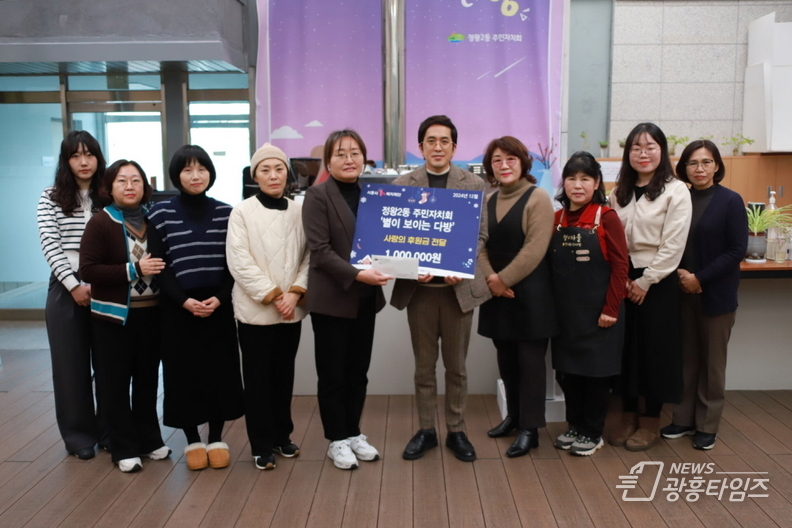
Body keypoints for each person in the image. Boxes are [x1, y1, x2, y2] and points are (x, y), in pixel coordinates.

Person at [391, 115, 491, 462]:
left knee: (457, 368)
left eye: (444, 141)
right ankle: (426, 430)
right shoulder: (403, 184)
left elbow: (480, 235)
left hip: (456, 293)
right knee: (423, 367)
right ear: (421, 147)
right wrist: (410, 267)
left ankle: (457, 430)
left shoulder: (473, 184)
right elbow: (396, 236)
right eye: (431, 141)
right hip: (420, 294)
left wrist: (459, 264)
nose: (438, 147)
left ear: (454, 147)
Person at [147, 145, 244, 471]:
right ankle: (192, 440)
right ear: (177, 176)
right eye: (187, 170)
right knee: (182, 373)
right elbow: (159, 266)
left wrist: (221, 297)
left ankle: (215, 437)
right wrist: (183, 301)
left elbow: (234, 263)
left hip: (218, 304)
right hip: (178, 306)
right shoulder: (160, 213)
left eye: (201, 169)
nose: (195, 175)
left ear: (210, 173)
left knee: (220, 371)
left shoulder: (227, 213)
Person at [302, 130, 392, 470]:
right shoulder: (317, 195)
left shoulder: (375, 195)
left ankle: (353, 432)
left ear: (364, 158)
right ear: (328, 161)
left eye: (355, 152)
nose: (349, 159)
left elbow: (387, 240)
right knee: (332, 374)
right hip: (332, 300)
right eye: (340, 154)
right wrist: (358, 274)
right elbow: (320, 251)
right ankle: (336, 439)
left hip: (365, 299)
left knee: (358, 372)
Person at [79, 160, 170, 472]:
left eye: (136, 180)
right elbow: (88, 270)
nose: (130, 186)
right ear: (109, 187)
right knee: (114, 385)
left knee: (147, 382)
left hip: (152, 316)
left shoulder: (154, 219)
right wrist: (134, 269)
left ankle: (150, 440)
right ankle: (124, 448)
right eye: (122, 180)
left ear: (145, 186)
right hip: (112, 320)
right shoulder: (100, 222)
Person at [607, 123, 692, 451]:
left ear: (662, 151)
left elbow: (674, 243)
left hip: (657, 279)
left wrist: (645, 280)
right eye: (636, 148)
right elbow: (611, 237)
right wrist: (623, 278)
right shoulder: (619, 192)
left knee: (655, 351)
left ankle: (651, 421)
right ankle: (627, 415)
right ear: (628, 153)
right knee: (625, 348)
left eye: (650, 147)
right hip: (622, 277)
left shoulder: (676, 190)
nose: (643, 154)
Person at [660, 140, 747, 450]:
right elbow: (668, 243)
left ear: (717, 166)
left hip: (716, 295)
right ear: (683, 167)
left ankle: (707, 425)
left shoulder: (730, 201)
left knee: (712, 363)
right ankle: (683, 419)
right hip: (681, 291)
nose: (700, 168)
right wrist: (683, 276)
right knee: (686, 360)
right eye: (693, 163)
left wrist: (700, 278)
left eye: (706, 162)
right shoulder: (678, 198)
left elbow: (737, 250)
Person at [227, 143, 309, 470]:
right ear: (255, 175)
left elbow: (310, 256)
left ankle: (281, 435)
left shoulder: (299, 210)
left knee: (284, 376)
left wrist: (295, 294)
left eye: (279, 169)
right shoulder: (242, 212)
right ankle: (261, 444)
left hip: (292, 310)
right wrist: (275, 295)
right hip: (255, 311)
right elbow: (239, 261)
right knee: (258, 380)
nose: (273, 175)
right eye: (265, 170)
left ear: (287, 174)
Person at [477, 136, 556, 458]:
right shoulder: (488, 200)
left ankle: (530, 429)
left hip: (531, 293)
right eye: (497, 160)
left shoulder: (538, 197)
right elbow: (478, 245)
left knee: (530, 363)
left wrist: (502, 280)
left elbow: (535, 248)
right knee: (506, 358)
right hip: (497, 291)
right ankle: (513, 416)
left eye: (511, 159)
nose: (504, 165)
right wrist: (491, 280)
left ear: (523, 162)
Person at [550, 152, 629, 456]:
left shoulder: (606, 217)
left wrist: (611, 309)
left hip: (599, 314)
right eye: (571, 178)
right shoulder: (556, 219)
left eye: (585, 178)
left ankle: (592, 432)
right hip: (565, 315)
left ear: (596, 183)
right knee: (567, 373)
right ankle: (574, 424)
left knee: (595, 375)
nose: (577, 185)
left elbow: (620, 268)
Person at [37, 130, 109, 459]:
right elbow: (50, 244)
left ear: (98, 158)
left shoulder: (108, 194)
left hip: (107, 283)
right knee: (70, 366)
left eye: (89, 154)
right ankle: (79, 437)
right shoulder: (50, 196)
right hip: (66, 288)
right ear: (66, 161)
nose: (83, 161)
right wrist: (74, 285)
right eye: (75, 155)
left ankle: (109, 431)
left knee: (109, 363)